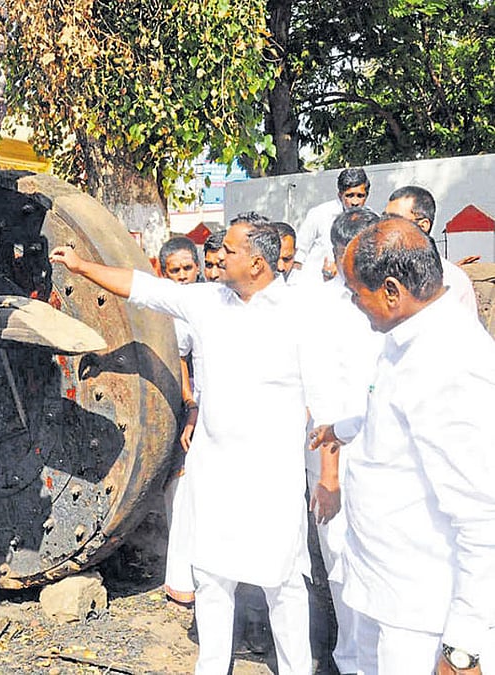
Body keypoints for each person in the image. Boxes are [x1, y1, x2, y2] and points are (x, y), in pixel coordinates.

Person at [50, 214, 334, 675]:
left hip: (272, 478)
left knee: (283, 584)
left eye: (233, 251)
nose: (220, 256)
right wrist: (82, 266)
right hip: (214, 471)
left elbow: (326, 410)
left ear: (259, 264)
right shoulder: (210, 301)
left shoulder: (300, 314)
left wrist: (329, 479)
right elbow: (140, 286)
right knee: (212, 577)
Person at [311, 217, 495, 674]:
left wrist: (464, 645)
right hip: (392, 596)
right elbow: (398, 419)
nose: (354, 303)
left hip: (426, 620)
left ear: (392, 291)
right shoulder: (407, 339)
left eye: (357, 292)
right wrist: (346, 428)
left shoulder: (450, 364)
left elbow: (483, 516)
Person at [303, 207, 383, 675]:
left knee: (380, 557)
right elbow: (323, 397)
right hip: (338, 458)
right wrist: (329, 475)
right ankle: (352, 661)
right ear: (339, 254)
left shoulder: (385, 298)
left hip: (384, 455)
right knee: (341, 561)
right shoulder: (321, 308)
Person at [157, 237, 202, 607]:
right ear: (162, 272)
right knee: (180, 492)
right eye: (176, 271)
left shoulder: (208, 301)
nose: (184, 276)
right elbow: (180, 362)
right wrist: (189, 405)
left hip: (206, 406)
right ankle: (180, 578)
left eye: (188, 268)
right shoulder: (162, 312)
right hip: (181, 408)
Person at [383, 185, 478, 317]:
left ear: (423, 226)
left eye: (393, 220)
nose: (385, 227)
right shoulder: (379, 274)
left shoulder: (453, 280)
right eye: (384, 219)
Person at [295, 168, 370, 283]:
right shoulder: (319, 214)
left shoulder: (371, 221)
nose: (355, 202)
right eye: (350, 196)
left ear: (367, 195)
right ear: (340, 195)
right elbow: (299, 254)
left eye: (360, 196)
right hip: (316, 285)